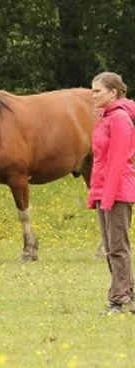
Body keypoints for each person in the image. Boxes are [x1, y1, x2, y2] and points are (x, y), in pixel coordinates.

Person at [89, 71, 135, 313]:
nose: (93, 95)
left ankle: (120, 300)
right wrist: (94, 194)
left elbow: (118, 161)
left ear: (113, 93)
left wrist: (106, 197)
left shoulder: (119, 119)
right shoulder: (104, 117)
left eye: (98, 91)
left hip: (118, 192)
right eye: (92, 90)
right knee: (110, 247)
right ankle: (127, 293)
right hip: (104, 191)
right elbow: (99, 160)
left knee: (117, 247)